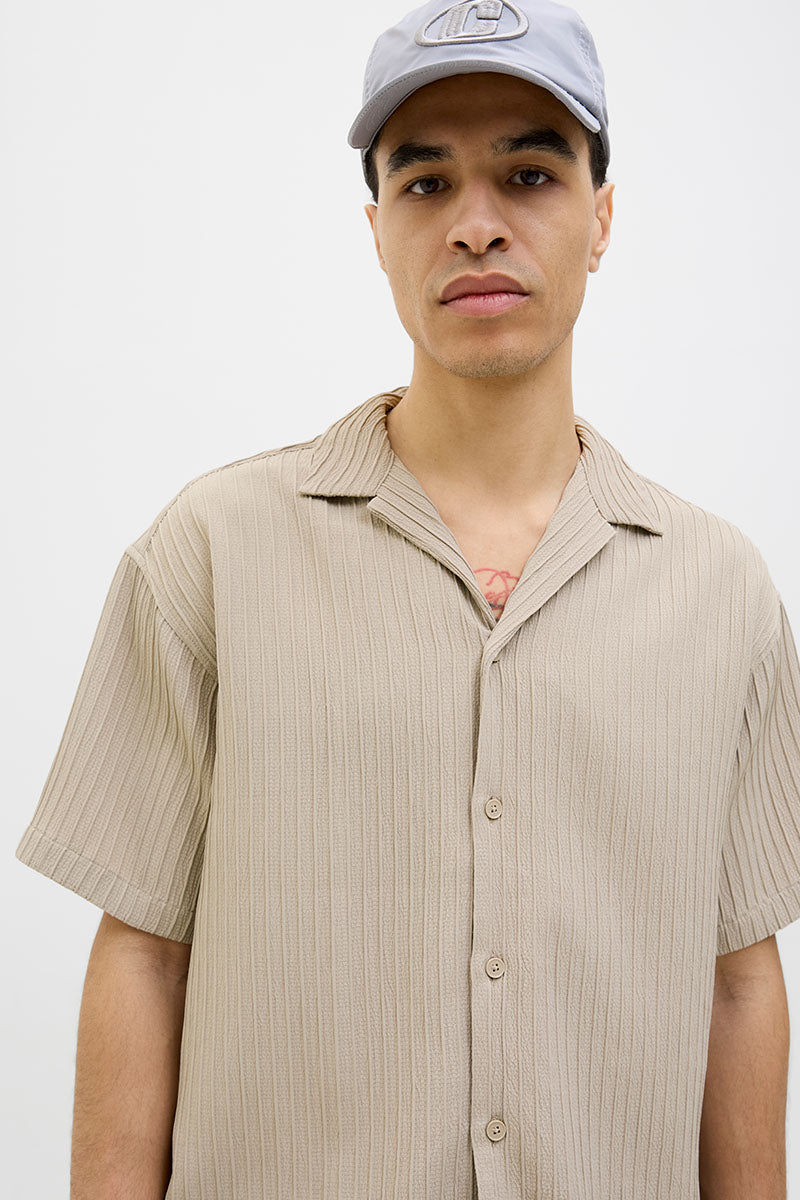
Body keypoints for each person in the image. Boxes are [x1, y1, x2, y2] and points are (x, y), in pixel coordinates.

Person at [14, 1, 800, 1197]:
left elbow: (736, 980)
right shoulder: (210, 553)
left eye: (527, 173)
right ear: (376, 230)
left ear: (599, 217)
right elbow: (142, 952)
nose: (475, 225)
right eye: (425, 184)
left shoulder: (719, 590)